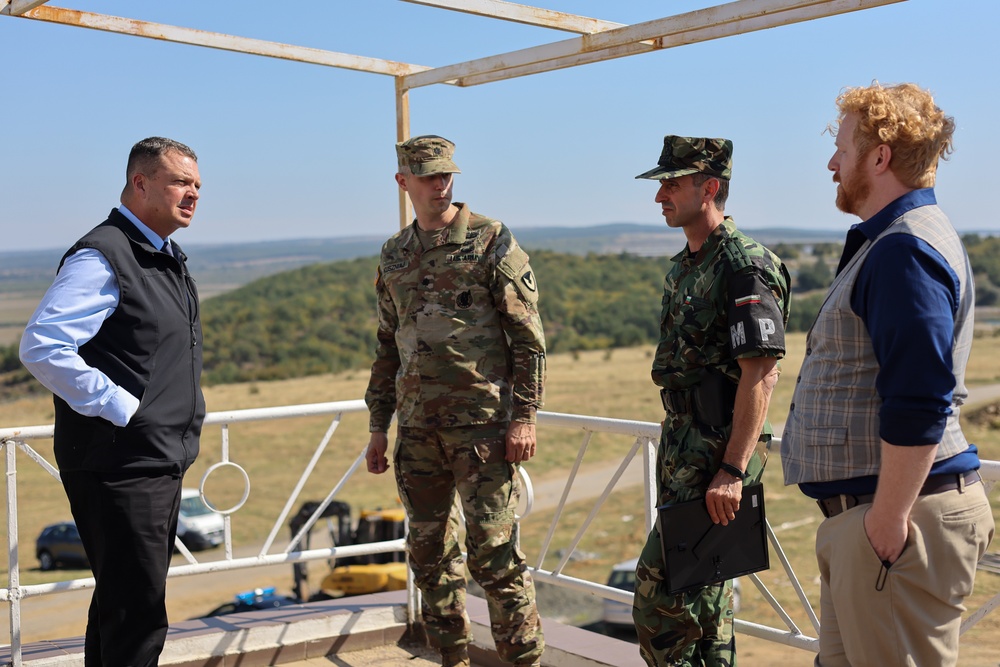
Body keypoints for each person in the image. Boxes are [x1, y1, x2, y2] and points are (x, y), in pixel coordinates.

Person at [781, 82, 995, 667]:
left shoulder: (904, 249)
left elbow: (921, 396)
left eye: (842, 149)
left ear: (878, 157)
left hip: (896, 520)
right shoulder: (899, 239)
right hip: (877, 519)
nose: (831, 162)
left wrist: (887, 520)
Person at [20, 137, 205, 667]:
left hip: (155, 459)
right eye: (179, 182)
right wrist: (125, 408)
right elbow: (43, 346)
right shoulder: (104, 255)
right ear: (139, 183)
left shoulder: (163, 254)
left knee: (122, 606)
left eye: (196, 185)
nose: (191, 194)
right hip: (120, 463)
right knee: (139, 615)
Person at [363, 135, 546, 667]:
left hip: (483, 430)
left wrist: (525, 417)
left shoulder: (491, 240)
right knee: (430, 557)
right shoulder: (395, 253)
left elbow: (527, 338)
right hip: (417, 433)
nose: (440, 185)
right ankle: (452, 659)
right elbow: (386, 345)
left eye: (446, 175)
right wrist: (379, 426)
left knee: (495, 558)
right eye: (428, 176)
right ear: (404, 183)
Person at [631, 136, 791, 666]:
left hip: (718, 452)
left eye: (671, 184)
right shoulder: (684, 267)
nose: (660, 197)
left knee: (659, 601)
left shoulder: (744, 265)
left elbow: (761, 374)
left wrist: (733, 468)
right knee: (706, 598)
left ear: (710, 187)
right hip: (682, 444)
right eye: (660, 185)